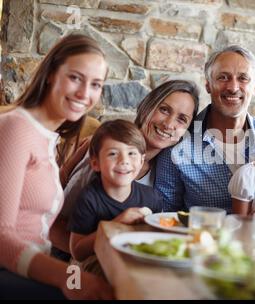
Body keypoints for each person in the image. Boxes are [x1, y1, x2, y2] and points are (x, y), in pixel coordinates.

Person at [0, 34, 113, 299]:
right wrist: (72, 278)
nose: (85, 94)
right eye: (75, 78)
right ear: (51, 73)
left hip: (27, 267)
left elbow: (37, 221)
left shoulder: (47, 135)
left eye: (96, 84)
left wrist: (84, 262)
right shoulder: (16, 128)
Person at [49, 80, 199, 258]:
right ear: (146, 107)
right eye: (164, 110)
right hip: (74, 261)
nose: (169, 124)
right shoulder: (108, 156)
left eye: (182, 119)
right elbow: (54, 224)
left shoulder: (166, 169)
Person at [155, 45, 255, 213]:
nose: (233, 87)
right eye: (223, 77)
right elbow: (164, 215)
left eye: (243, 78)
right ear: (208, 85)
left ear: (254, 88)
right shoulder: (177, 144)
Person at [69, 120, 163, 263]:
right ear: (95, 163)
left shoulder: (152, 198)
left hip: (138, 260)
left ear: (141, 161)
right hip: (96, 262)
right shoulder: (89, 199)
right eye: (113, 153)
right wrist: (115, 224)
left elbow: (158, 237)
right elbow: (77, 252)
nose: (124, 161)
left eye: (131, 153)